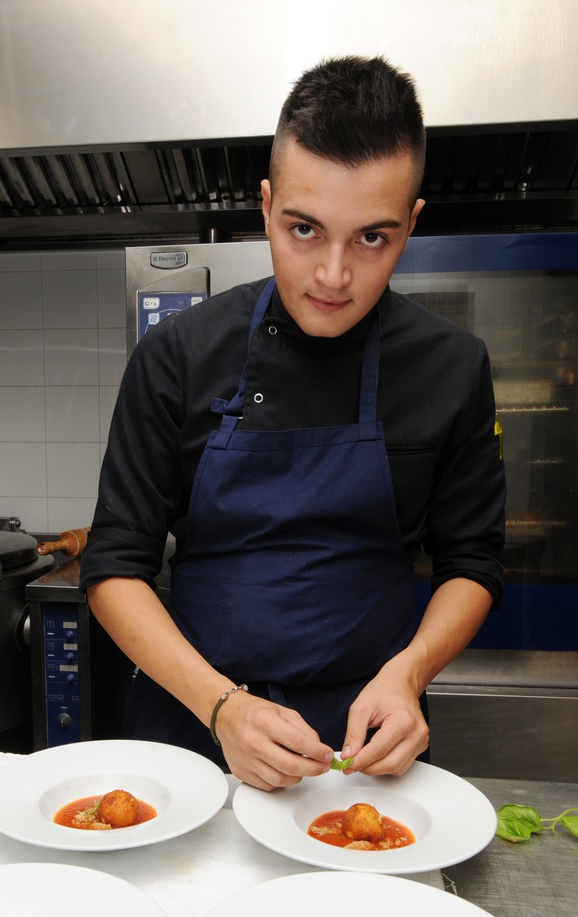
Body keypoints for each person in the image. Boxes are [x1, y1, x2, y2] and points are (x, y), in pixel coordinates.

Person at [80, 55, 505, 791]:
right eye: (304, 229)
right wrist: (222, 708)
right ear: (267, 205)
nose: (333, 275)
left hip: (365, 742)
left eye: (371, 238)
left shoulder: (453, 367)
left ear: (411, 223)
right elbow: (114, 566)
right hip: (192, 724)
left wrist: (409, 673)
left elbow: (472, 562)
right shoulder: (177, 356)